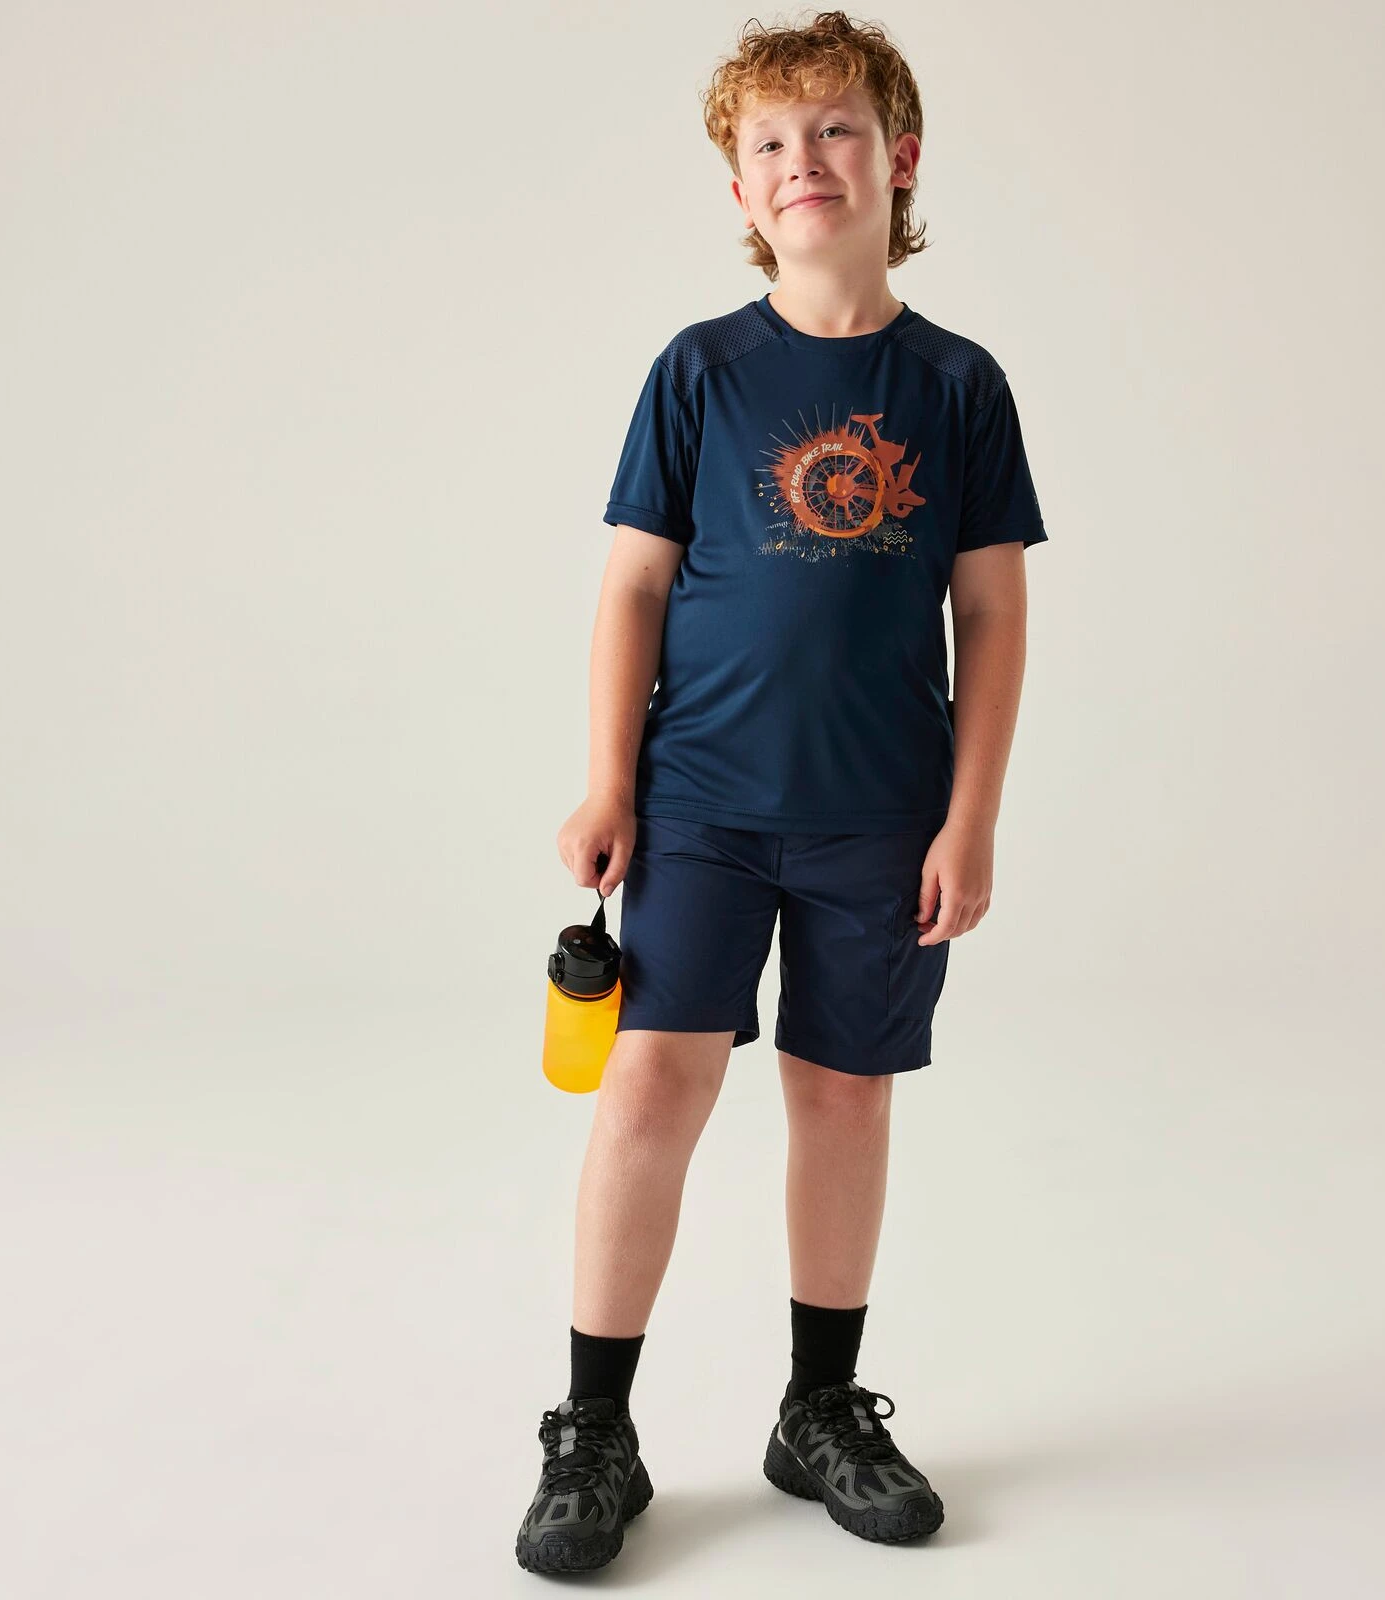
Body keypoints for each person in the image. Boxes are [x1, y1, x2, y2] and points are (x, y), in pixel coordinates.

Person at [517, 10, 1049, 1574]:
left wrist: (971, 815)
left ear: (900, 157)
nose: (803, 158)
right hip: (698, 806)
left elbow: (992, 613)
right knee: (652, 1088)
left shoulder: (958, 385)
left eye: (834, 129)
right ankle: (593, 1429)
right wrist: (608, 779)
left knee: (842, 1092)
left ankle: (820, 1409)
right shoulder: (701, 372)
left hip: (882, 816)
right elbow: (632, 589)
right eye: (768, 142)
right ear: (740, 192)